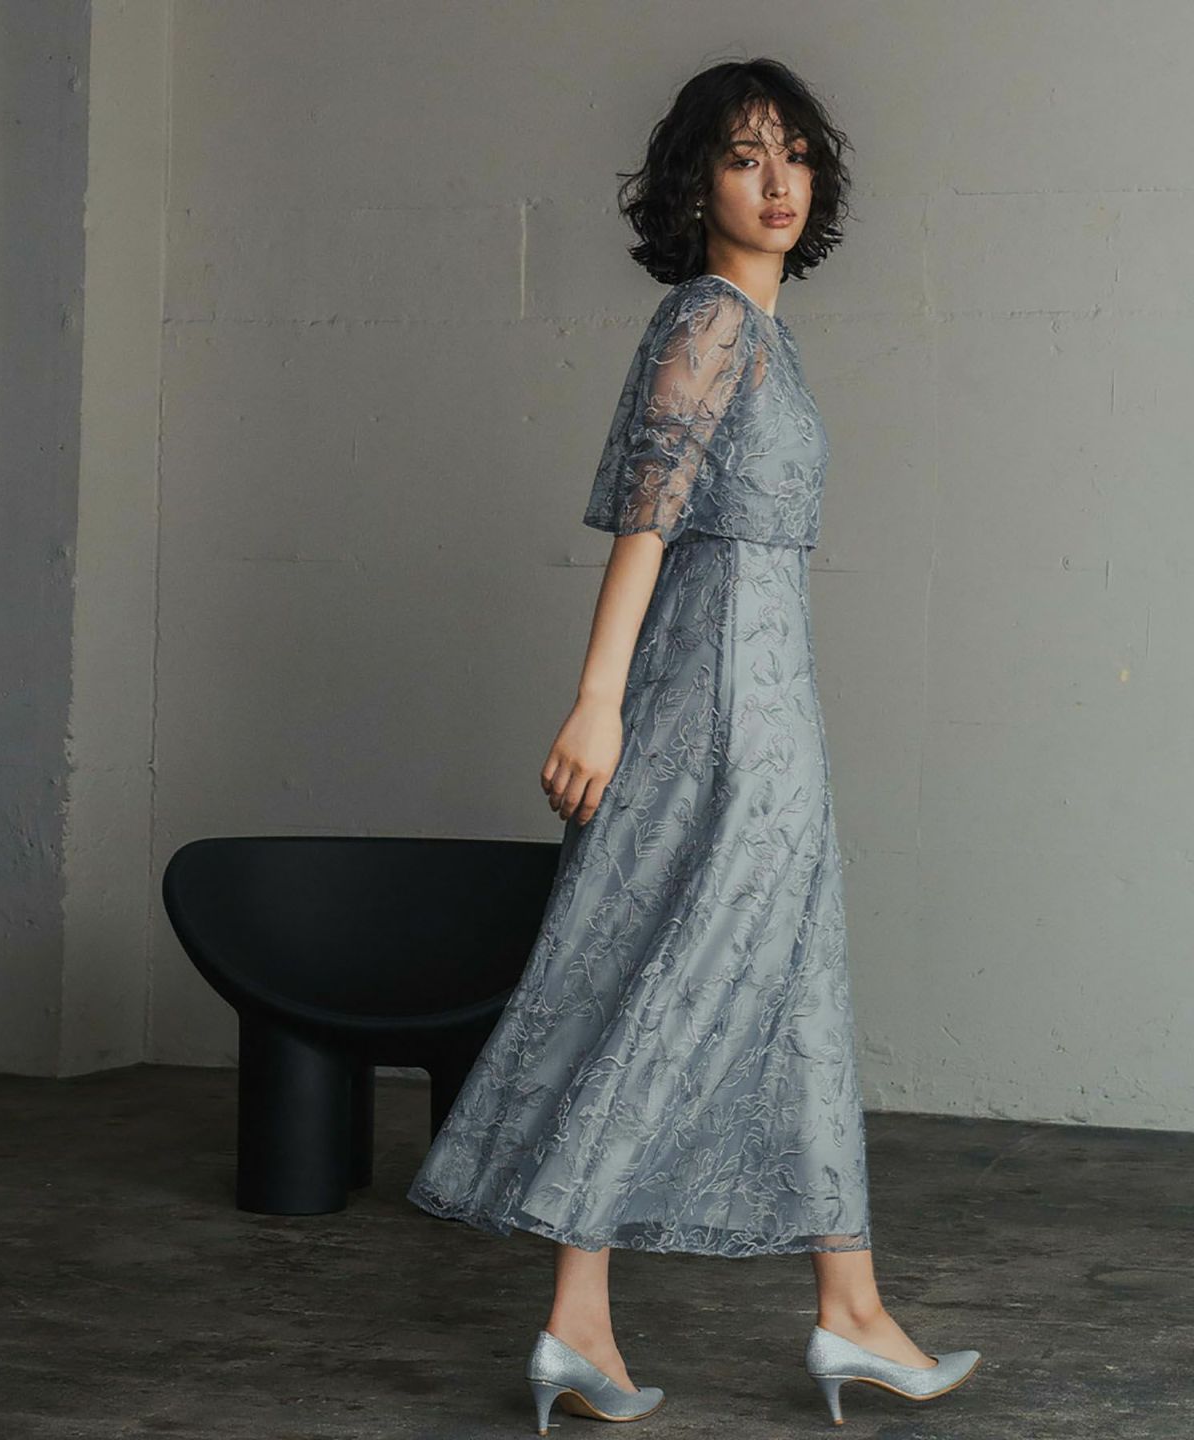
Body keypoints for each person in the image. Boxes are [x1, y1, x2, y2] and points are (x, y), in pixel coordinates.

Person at [407, 57, 981, 1431]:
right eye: (742, 157)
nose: (777, 182)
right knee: (685, 980)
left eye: (795, 155)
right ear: (695, 183)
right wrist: (597, 699)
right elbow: (649, 520)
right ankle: (596, 1317)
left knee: (790, 983)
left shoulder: (764, 336)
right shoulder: (712, 321)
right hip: (719, 703)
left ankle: (833, 1309)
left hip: (768, 696)